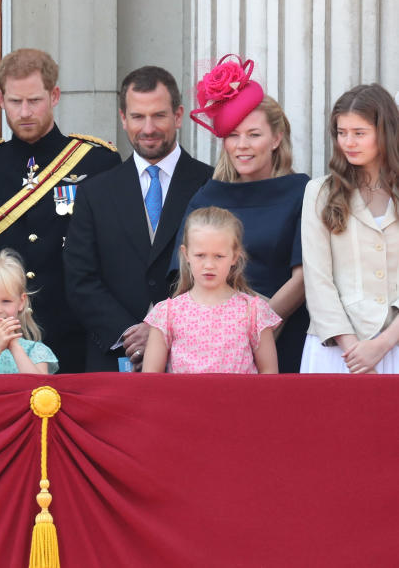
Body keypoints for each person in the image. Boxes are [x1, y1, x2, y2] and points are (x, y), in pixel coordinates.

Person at [0, 49, 118, 373]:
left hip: (77, 336)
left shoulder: (97, 163)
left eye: (34, 100)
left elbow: (111, 255)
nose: (25, 112)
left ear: (54, 95)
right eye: (15, 102)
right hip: (1, 342)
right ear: (0, 99)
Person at [64, 66, 213, 371]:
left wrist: (161, 332)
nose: (148, 128)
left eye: (158, 115)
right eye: (137, 117)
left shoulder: (211, 185)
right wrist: (129, 333)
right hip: (114, 358)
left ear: (178, 115)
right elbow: (81, 280)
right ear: (123, 118)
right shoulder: (95, 193)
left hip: (195, 356)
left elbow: (221, 273)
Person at [172, 55, 310, 372]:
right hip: (211, 343)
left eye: (254, 134)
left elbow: (304, 278)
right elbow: (185, 274)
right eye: (233, 135)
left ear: (276, 138)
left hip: (283, 336)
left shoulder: (303, 192)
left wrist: (255, 330)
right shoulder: (206, 196)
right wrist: (226, 333)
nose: (242, 145)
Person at [301, 84, 399, 374]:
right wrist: (354, 352)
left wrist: (381, 346)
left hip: (393, 343)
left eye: (359, 133)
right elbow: (317, 280)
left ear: (385, 133)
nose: (348, 142)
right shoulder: (319, 193)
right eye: (342, 133)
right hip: (336, 349)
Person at [143, 207, 280, 373]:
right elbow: (151, 379)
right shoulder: (166, 313)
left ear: (235, 256)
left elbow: (270, 377)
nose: (209, 265)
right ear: (186, 254)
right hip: (183, 400)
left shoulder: (254, 311)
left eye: (219, 256)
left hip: (239, 399)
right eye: (200, 255)